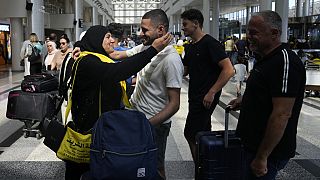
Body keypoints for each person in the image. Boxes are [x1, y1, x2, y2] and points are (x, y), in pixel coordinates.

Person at [65, 25, 172, 180]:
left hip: (100, 129)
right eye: (107, 37)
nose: (112, 41)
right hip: (89, 132)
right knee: (86, 170)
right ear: (96, 39)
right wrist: (152, 50)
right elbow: (117, 72)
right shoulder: (88, 62)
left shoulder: (95, 58)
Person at [228, 11, 306, 179]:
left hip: (267, 152)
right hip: (252, 145)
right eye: (248, 31)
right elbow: (268, 95)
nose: (249, 36)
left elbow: (282, 114)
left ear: (274, 34)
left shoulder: (285, 62)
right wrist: (246, 101)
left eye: (254, 32)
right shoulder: (264, 59)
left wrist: (262, 157)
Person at [109, 9, 183, 179]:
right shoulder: (146, 47)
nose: (140, 33)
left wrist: (148, 124)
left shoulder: (171, 60)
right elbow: (118, 54)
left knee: (156, 168)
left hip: (154, 125)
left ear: (161, 30)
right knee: (137, 164)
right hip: (136, 116)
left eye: (144, 30)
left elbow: (174, 104)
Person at [180, 8, 234, 163]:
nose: (183, 27)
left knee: (190, 133)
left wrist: (212, 91)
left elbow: (229, 69)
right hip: (195, 95)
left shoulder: (210, 43)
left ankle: (201, 167)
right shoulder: (190, 46)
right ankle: (208, 164)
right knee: (203, 132)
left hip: (206, 97)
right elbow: (185, 71)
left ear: (196, 24)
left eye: (185, 24)